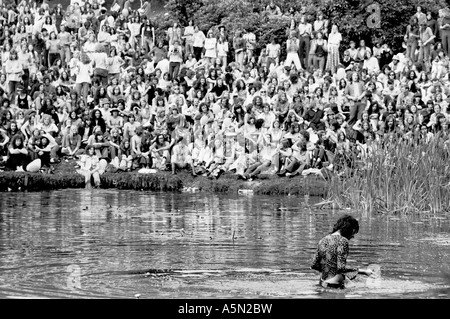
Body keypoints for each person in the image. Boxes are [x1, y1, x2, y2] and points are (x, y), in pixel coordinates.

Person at [311, 214, 374, 288]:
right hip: (335, 284)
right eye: (353, 232)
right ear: (350, 229)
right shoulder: (343, 241)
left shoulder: (322, 240)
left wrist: (328, 270)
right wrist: (364, 271)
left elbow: (314, 265)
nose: (352, 236)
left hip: (322, 283)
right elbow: (341, 268)